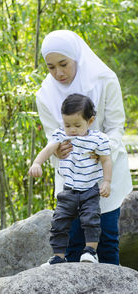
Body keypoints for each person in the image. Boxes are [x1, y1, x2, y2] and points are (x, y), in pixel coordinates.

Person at [36, 30, 132, 265]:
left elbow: (116, 126)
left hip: (104, 173)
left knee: (107, 237)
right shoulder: (44, 94)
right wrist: (56, 150)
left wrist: (100, 150)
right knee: (73, 239)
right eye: (50, 67)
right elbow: (52, 136)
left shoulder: (105, 80)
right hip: (71, 178)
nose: (58, 73)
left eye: (63, 64)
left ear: (76, 57)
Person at [29, 93, 112, 264]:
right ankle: (59, 256)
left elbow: (106, 160)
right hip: (69, 189)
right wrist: (37, 163)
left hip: (90, 188)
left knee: (91, 219)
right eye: (67, 124)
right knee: (59, 221)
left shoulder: (98, 139)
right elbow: (49, 149)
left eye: (77, 125)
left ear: (90, 121)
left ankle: (90, 251)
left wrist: (107, 181)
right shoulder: (61, 135)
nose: (72, 129)